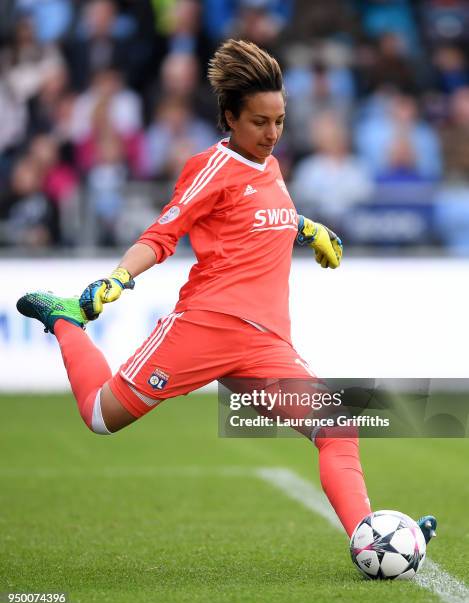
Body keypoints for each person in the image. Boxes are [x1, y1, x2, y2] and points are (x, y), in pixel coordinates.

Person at [17, 39, 436, 550]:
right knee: (101, 417)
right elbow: (162, 234)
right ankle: (65, 322)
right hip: (207, 326)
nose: (273, 133)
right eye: (260, 122)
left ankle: (370, 540)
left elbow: (257, 217)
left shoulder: (272, 167)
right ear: (230, 117)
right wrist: (119, 278)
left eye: (279, 120)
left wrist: (307, 229)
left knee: (338, 429)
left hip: (264, 344)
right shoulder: (208, 168)